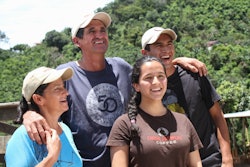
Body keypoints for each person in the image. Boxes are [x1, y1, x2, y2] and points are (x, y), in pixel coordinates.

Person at [22, 12, 208, 167]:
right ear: (76, 40)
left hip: (127, 160)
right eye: (91, 31)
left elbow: (148, 74)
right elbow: (39, 96)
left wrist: (176, 62)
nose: (99, 35)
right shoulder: (66, 74)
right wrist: (29, 114)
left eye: (103, 30)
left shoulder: (121, 67)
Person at [141, 27, 233, 167]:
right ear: (145, 53)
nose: (166, 50)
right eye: (159, 45)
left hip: (209, 161)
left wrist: (227, 159)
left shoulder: (195, 76)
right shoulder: (144, 88)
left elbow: (217, 116)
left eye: (169, 44)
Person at [106, 55, 203, 167]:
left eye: (161, 76)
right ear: (136, 86)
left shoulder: (183, 121)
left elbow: (196, 164)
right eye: (148, 78)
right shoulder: (123, 124)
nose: (156, 82)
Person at [5, 66, 82, 167]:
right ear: (38, 99)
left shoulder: (65, 130)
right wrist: (52, 157)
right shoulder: (23, 137)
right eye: (57, 89)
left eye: (63, 87)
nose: (66, 93)